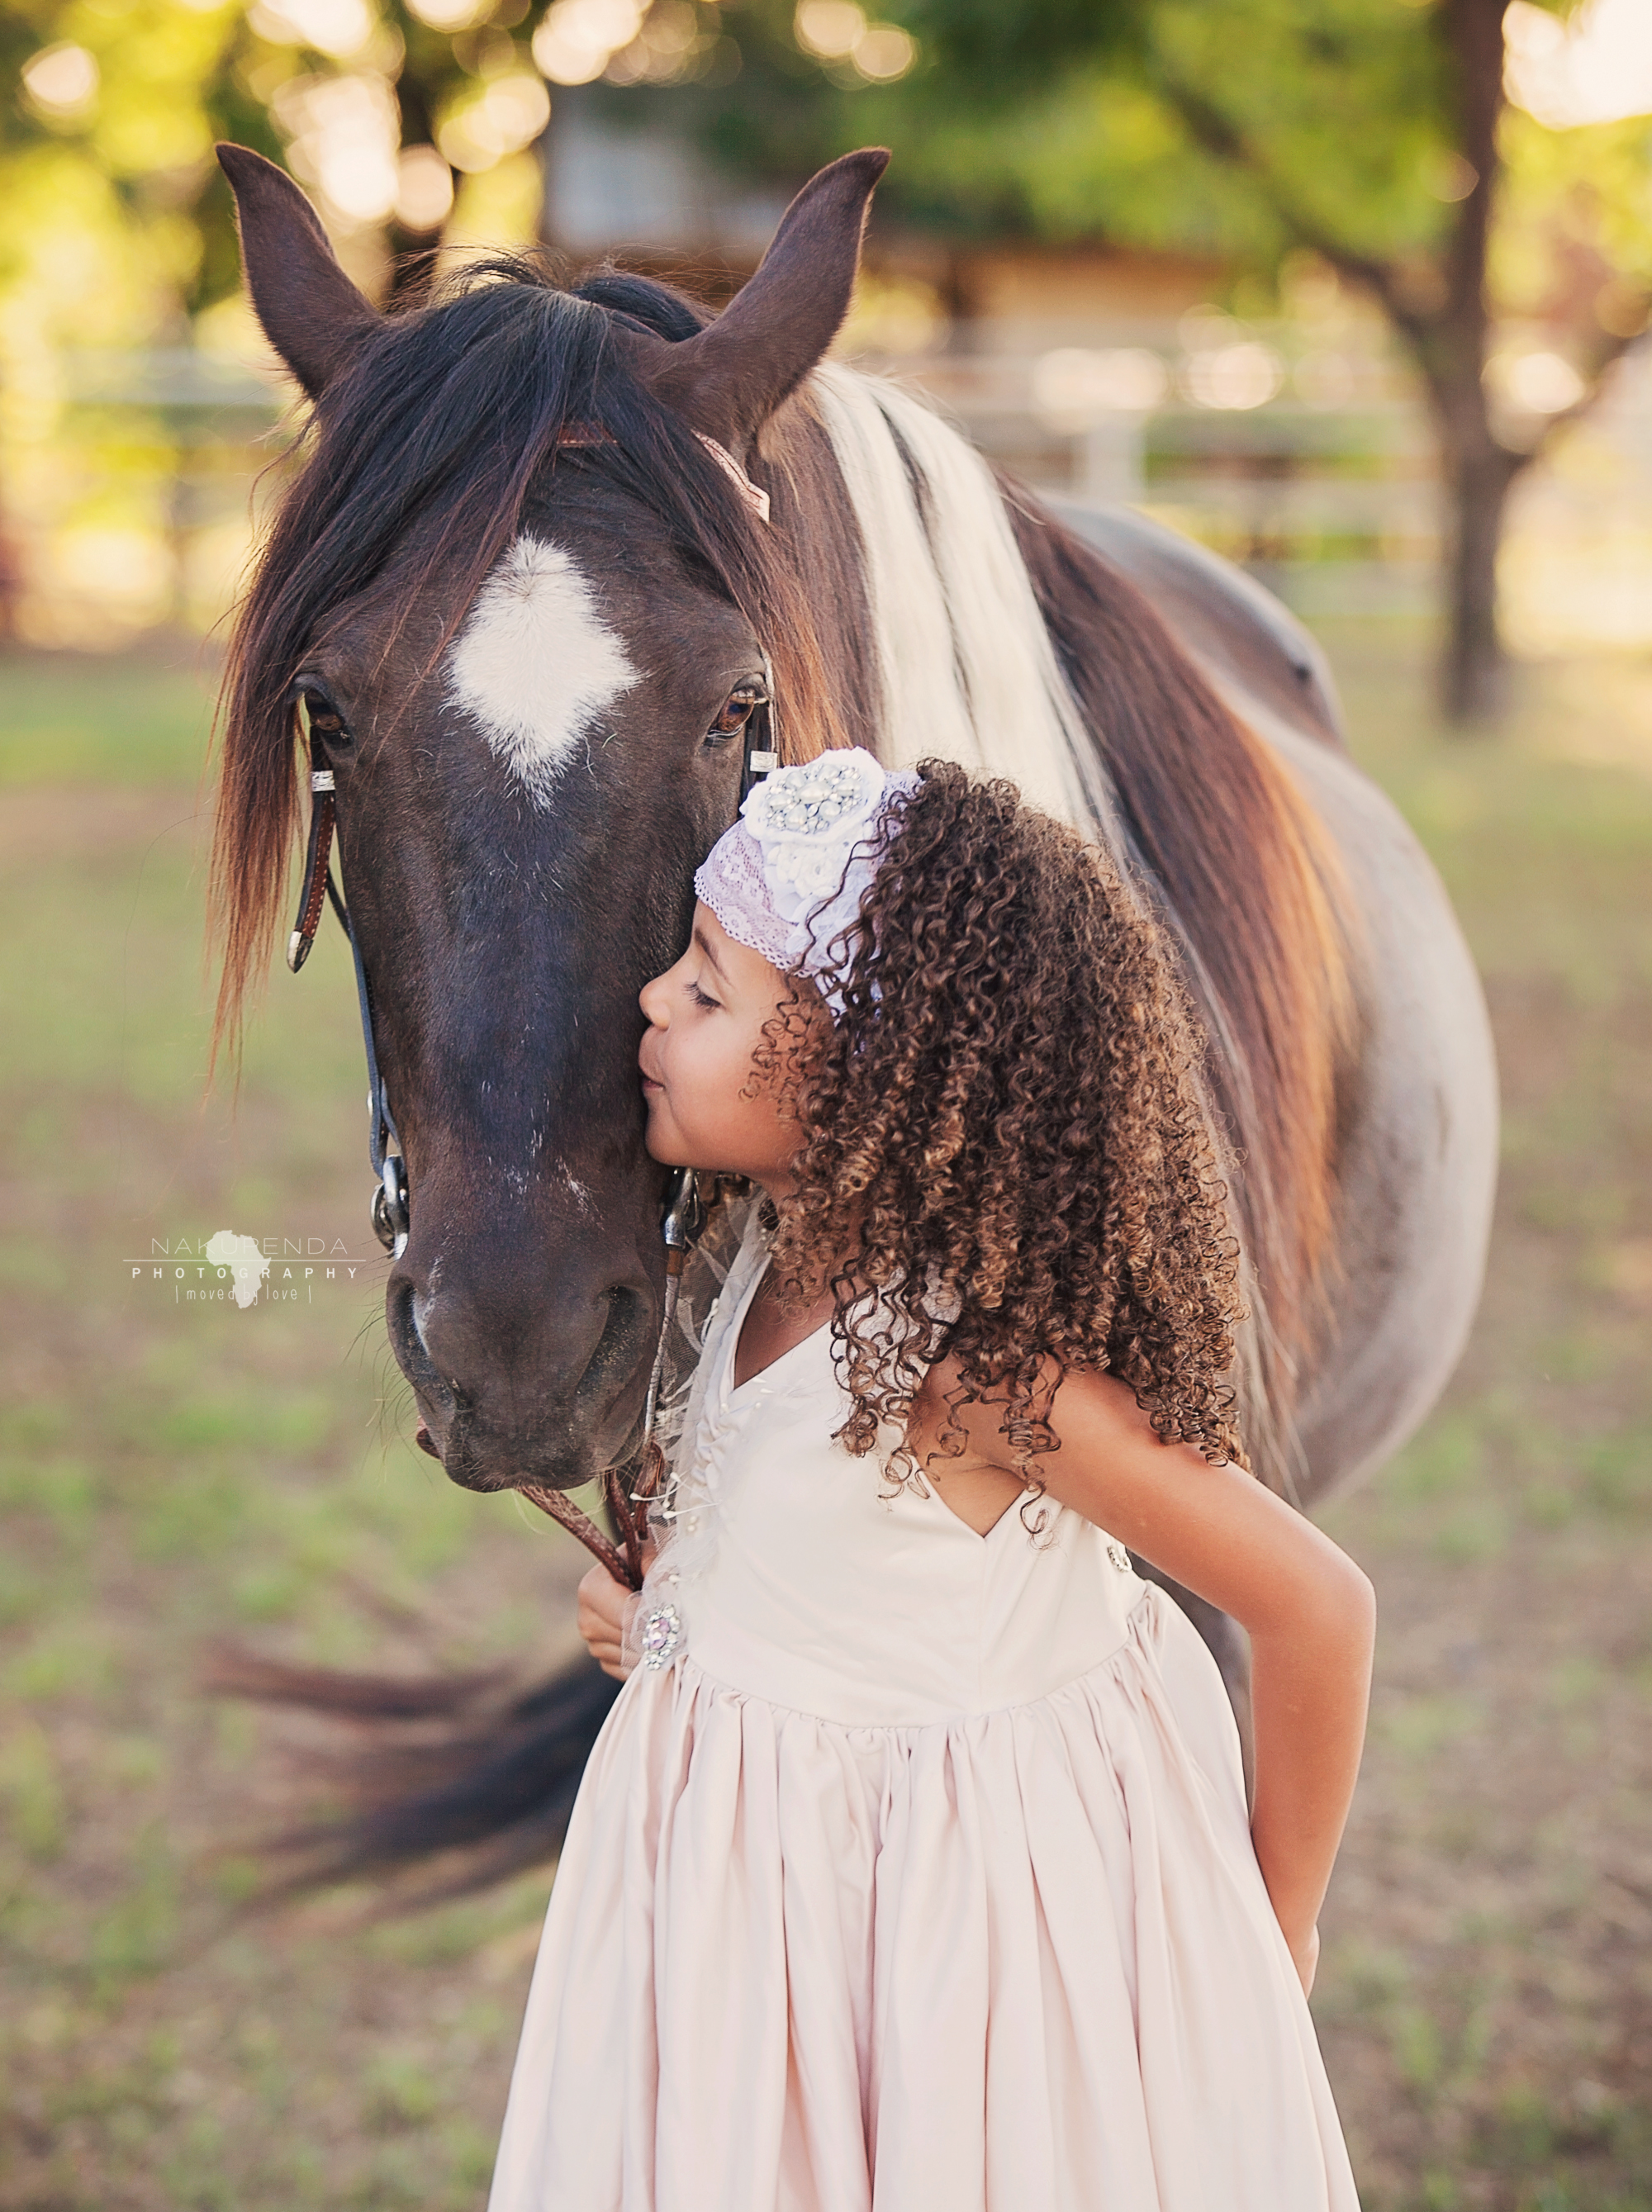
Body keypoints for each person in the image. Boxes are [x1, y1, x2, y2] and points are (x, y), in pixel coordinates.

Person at [488, 749, 1372, 2212]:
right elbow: (831, 1588)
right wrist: (676, 1627)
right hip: (746, 1929)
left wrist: (1272, 1934)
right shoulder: (764, 1252)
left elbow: (1317, 1609)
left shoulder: (970, 1367)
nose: (652, 1002)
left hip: (938, 1954)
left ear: (860, 1078)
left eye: (708, 991)